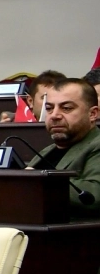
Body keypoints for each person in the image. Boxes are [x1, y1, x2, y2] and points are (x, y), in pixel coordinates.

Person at [30, 78, 100, 219]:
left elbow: (94, 195)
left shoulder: (96, 144)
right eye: (49, 108)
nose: (54, 115)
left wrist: (33, 183)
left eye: (66, 108)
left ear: (92, 114)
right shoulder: (48, 150)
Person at [0, 70, 64, 122]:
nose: (51, 104)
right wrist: (4, 131)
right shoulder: (17, 124)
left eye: (59, 98)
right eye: (45, 98)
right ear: (30, 101)